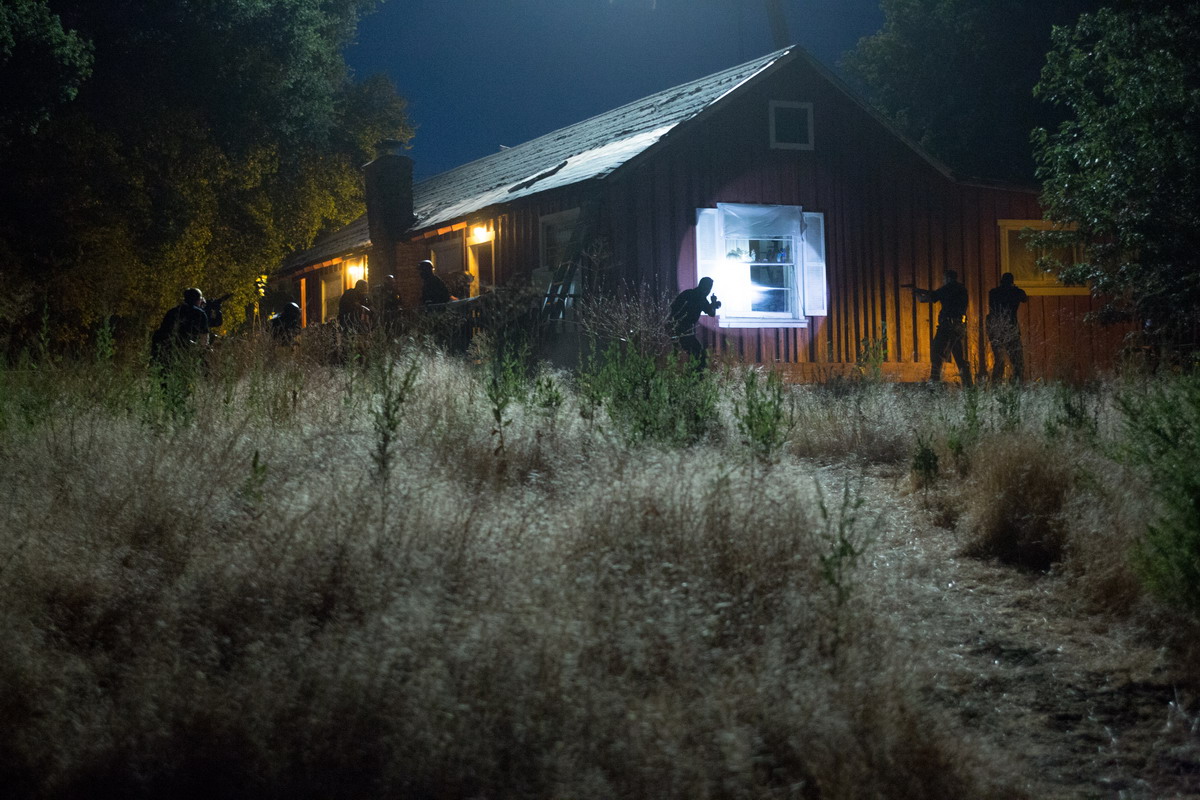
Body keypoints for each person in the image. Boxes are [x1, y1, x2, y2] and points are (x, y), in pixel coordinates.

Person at [911, 270, 973, 386]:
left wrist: (916, 293)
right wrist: (923, 291)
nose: (943, 281)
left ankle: (934, 382)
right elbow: (936, 294)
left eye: (943, 279)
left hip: (947, 325)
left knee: (937, 352)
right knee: (959, 356)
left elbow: (925, 299)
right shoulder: (961, 289)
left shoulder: (947, 288)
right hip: (960, 325)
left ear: (947, 278)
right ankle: (968, 384)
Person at [669, 277, 721, 368]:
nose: (708, 291)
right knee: (698, 353)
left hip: (676, 326)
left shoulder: (688, 293)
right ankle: (696, 372)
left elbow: (673, 306)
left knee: (693, 351)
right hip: (683, 328)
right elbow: (711, 313)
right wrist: (713, 302)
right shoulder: (700, 298)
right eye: (709, 288)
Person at [151, 287, 210, 365]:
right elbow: (204, 339)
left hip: (168, 350)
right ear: (198, 300)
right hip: (187, 353)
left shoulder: (172, 312)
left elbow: (163, 331)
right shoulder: (200, 314)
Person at [987, 272, 1028, 382]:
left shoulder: (994, 292)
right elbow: (1024, 298)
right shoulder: (1016, 292)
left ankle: (996, 385)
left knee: (999, 360)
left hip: (997, 329)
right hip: (1011, 328)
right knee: (1017, 361)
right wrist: (1015, 288)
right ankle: (1017, 384)